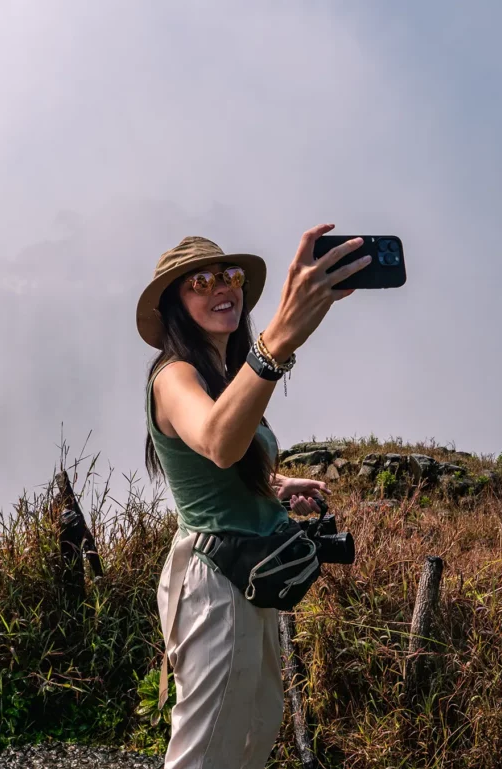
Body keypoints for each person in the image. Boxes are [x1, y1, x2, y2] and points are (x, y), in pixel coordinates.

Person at [136, 225, 371, 768]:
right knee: (208, 749)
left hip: (248, 575)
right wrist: (277, 342)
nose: (222, 287)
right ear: (175, 303)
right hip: (217, 581)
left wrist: (277, 485)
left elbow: (230, 455)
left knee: (251, 737)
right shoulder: (174, 376)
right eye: (200, 281)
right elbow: (218, 442)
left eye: (230, 275)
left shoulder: (224, 373)